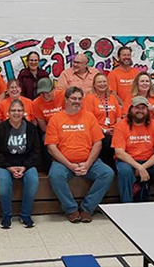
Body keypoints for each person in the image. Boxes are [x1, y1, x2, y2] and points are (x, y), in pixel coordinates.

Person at [46, 87, 114, 223]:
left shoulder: (89, 117)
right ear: (66, 100)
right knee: (55, 175)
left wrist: (88, 163)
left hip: (89, 161)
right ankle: (71, 209)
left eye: (79, 99)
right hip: (64, 162)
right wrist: (70, 165)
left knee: (107, 173)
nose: (77, 101)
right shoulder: (56, 118)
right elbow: (51, 148)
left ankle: (87, 208)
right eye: (73, 98)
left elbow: (98, 143)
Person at [112, 96, 154, 203]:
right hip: (128, 162)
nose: (140, 111)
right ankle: (126, 204)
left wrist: (142, 167)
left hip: (149, 161)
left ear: (147, 110)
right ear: (131, 109)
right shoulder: (121, 125)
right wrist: (138, 167)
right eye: (137, 108)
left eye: (143, 108)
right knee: (125, 171)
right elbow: (119, 152)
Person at [0, 100, 41, 229]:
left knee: (33, 180)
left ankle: (25, 215)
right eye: (13, 110)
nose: (16, 113)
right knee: (4, 182)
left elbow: (36, 151)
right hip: (4, 164)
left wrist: (25, 166)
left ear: (23, 112)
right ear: (8, 113)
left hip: (25, 163)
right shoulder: (1, 128)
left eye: (19, 110)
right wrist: (9, 167)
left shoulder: (30, 128)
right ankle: (6, 216)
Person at [82, 73, 122, 169]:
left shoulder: (112, 98)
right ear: (94, 85)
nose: (102, 84)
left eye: (104, 81)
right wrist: (104, 130)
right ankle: (109, 168)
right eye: (99, 82)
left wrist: (116, 129)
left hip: (113, 130)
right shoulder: (89, 98)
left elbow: (118, 116)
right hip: (97, 131)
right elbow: (90, 119)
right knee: (107, 141)